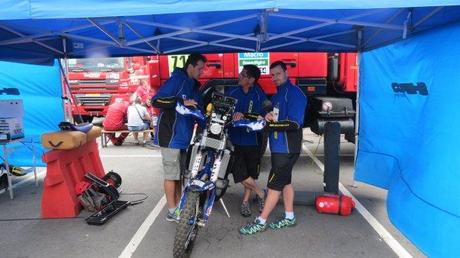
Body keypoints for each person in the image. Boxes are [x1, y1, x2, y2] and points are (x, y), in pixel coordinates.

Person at [239, 61, 307, 235]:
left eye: (278, 74)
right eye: (272, 75)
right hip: (279, 147)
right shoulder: (278, 95)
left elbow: (294, 123)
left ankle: (261, 222)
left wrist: (268, 127)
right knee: (285, 182)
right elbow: (273, 117)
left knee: (274, 186)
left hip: (287, 148)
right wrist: (262, 117)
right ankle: (289, 217)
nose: (275, 78)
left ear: (286, 72)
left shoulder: (295, 93)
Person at [151, 53, 207, 222]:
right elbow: (156, 101)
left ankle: (178, 206)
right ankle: (172, 210)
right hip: (170, 136)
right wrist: (180, 102)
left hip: (183, 138)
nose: (201, 72)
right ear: (190, 66)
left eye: (203, 69)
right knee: (171, 175)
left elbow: (199, 112)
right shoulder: (177, 80)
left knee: (179, 175)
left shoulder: (194, 87)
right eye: (199, 68)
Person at [228, 64, 267, 217]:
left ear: (251, 80)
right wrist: (233, 114)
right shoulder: (232, 92)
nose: (239, 75)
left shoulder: (259, 95)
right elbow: (225, 112)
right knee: (239, 173)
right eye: (241, 73)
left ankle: (245, 202)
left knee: (251, 173)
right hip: (234, 141)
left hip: (253, 141)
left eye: (243, 75)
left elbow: (265, 116)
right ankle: (261, 193)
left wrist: (257, 116)